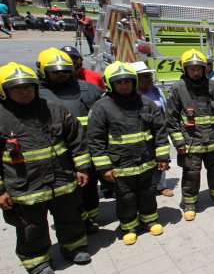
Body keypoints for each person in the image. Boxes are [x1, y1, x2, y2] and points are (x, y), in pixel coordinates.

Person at [0, 62, 92, 274]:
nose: (24, 92)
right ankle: (37, 261)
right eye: (17, 89)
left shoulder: (55, 109)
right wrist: (1, 190)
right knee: (30, 226)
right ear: (4, 91)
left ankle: (73, 247)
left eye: (28, 87)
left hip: (62, 179)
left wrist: (81, 168)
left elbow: (76, 140)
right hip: (24, 186)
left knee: (69, 215)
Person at [87, 62, 171, 245]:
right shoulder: (101, 107)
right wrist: (104, 167)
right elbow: (96, 140)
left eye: (128, 81)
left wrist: (163, 157)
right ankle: (129, 226)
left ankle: (150, 220)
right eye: (119, 83)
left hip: (147, 163)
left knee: (148, 193)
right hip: (120, 166)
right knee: (126, 198)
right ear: (110, 84)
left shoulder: (147, 104)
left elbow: (160, 132)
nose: (124, 86)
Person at [36, 47, 103, 232]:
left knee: (89, 190)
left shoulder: (89, 90)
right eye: (55, 72)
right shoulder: (36, 96)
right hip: (57, 156)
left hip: (87, 151)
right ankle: (77, 222)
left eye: (65, 71)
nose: (61, 75)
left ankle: (91, 219)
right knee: (68, 196)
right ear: (42, 71)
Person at [166, 50, 214, 220]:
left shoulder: (213, 86)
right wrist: (179, 142)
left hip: (212, 139)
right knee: (191, 173)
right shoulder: (178, 88)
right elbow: (171, 118)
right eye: (192, 69)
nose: (196, 72)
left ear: (204, 69)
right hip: (190, 141)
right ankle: (189, 203)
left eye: (199, 69)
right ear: (185, 69)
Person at [131, 61, 174, 198]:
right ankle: (143, 187)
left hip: (157, 131)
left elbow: (164, 107)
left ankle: (161, 186)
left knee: (161, 157)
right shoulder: (130, 94)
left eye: (149, 75)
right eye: (145, 76)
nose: (149, 78)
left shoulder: (156, 90)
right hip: (138, 133)